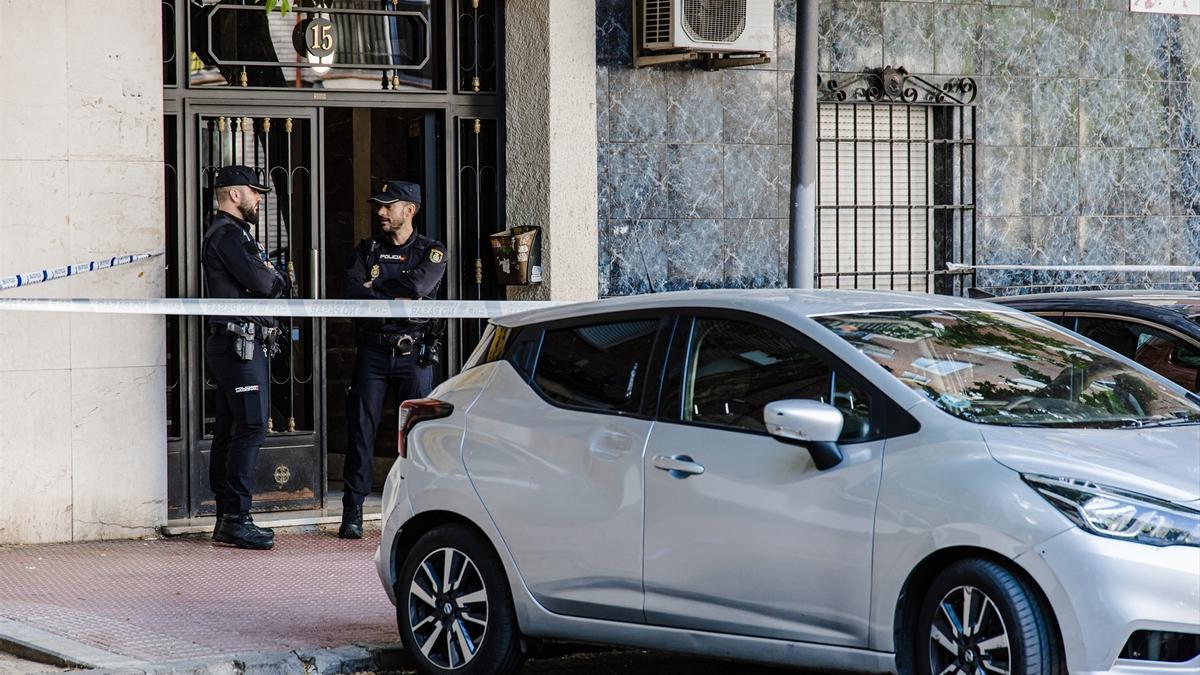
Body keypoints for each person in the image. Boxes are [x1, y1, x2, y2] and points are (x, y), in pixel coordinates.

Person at [340, 180, 447, 538]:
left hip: (413, 352)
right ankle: (352, 512)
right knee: (361, 431)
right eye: (380, 206)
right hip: (372, 350)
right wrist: (392, 286)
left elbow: (419, 286)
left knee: (416, 436)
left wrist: (378, 287)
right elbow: (350, 289)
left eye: (389, 205)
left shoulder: (432, 251)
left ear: (410, 209)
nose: (381, 212)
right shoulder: (367, 249)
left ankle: (416, 512)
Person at [202, 165, 291, 550]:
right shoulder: (228, 235)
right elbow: (265, 282)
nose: (258, 199)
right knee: (251, 427)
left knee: (231, 428)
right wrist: (274, 277)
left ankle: (227, 516)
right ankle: (237, 518)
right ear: (234, 195)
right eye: (254, 192)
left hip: (241, 344)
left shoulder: (236, 233)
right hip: (239, 345)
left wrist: (272, 277)